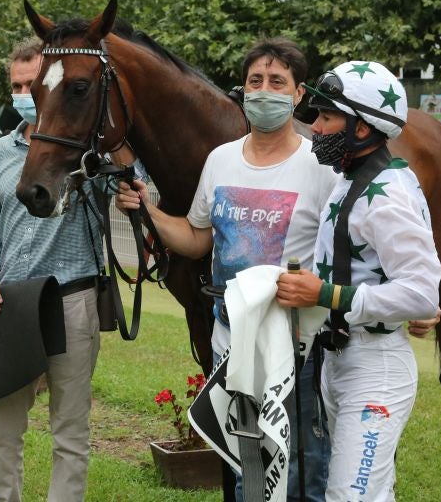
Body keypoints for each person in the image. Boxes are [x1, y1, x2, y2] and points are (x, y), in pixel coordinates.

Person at [117, 37, 338, 501]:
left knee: (299, 466)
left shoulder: (320, 164)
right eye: (255, 80)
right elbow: (197, 239)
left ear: (299, 95)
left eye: (277, 81)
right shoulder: (221, 160)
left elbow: (343, 250)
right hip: (230, 343)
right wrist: (147, 210)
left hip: (294, 344)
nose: (264, 90)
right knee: (246, 462)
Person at [276, 60, 441, 501]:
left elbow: (424, 292)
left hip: (375, 369)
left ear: (363, 129)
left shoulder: (386, 194)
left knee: (350, 496)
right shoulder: (351, 180)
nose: (315, 126)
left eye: (328, 117)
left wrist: (326, 294)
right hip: (340, 362)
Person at [0, 36, 105, 502]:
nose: (24, 95)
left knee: (70, 430)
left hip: (72, 298)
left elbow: (137, 185)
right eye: (16, 85)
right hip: (10, 303)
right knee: (2, 432)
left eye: (33, 84)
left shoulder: (89, 152)